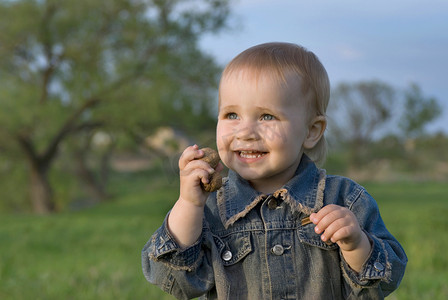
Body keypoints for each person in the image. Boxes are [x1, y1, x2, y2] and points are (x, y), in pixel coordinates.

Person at [141, 42, 407, 299]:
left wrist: (356, 245)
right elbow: (175, 281)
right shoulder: (209, 209)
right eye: (231, 115)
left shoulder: (344, 199)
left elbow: (383, 282)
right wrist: (188, 203)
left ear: (311, 131)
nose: (245, 132)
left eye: (267, 116)